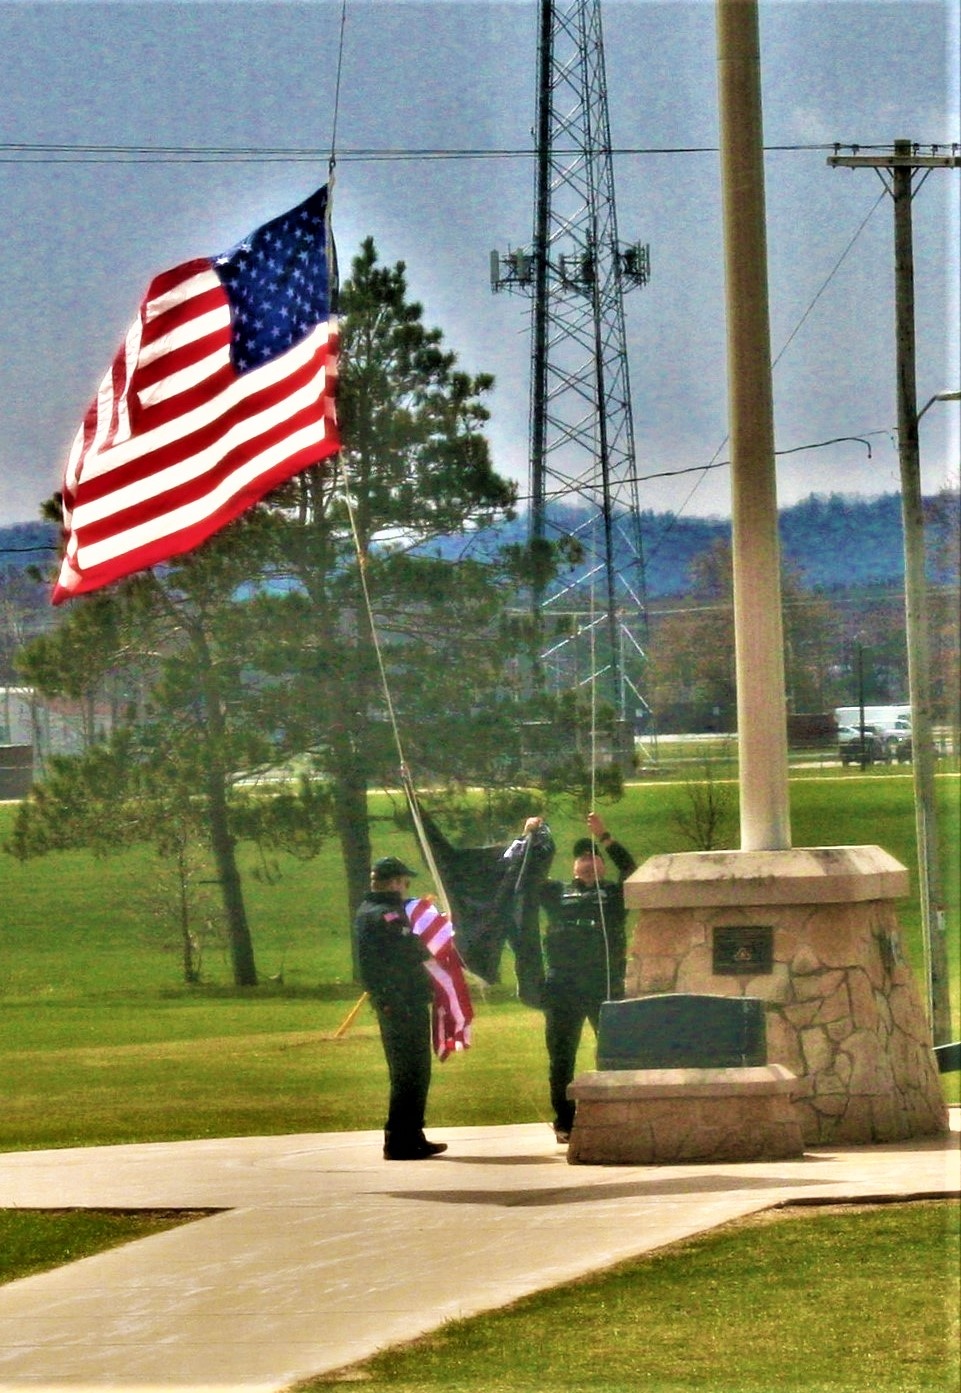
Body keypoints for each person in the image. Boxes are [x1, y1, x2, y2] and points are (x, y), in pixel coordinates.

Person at [508, 812, 637, 1143]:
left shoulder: (613, 895)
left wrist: (605, 835)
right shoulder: (556, 893)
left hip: (603, 983)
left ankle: (614, 1113)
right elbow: (524, 878)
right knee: (561, 1056)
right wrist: (529, 836)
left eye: (594, 858)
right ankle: (564, 1121)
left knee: (613, 1051)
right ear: (573, 866)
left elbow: (631, 870)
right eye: (582, 859)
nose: (589, 863)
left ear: (602, 865)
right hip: (562, 985)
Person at [354, 855, 448, 1160]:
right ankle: (398, 1138)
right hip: (398, 1002)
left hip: (410, 998)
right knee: (406, 1073)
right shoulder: (380, 914)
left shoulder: (386, 911)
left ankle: (413, 1133)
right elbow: (408, 948)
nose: (405, 888)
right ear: (394, 882)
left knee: (418, 1071)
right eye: (403, 882)